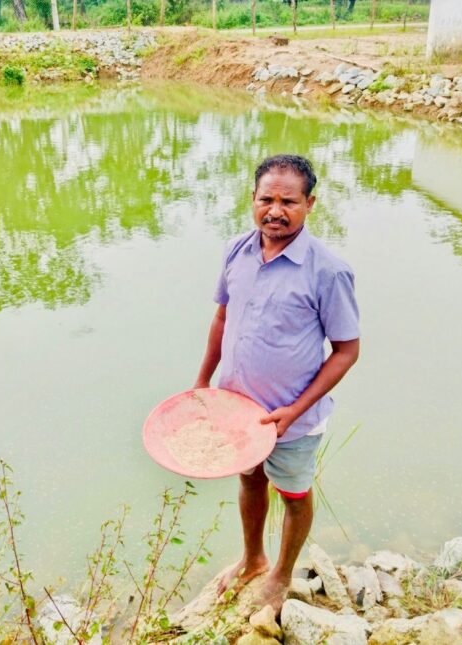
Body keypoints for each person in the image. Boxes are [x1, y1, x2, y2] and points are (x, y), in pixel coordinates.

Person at [193, 154, 360, 616]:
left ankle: (281, 573)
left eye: (289, 201)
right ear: (252, 199)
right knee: (248, 480)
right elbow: (223, 317)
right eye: (266, 198)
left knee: (294, 494)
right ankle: (252, 559)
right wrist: (203, 381)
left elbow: (347, 350)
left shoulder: (328, 271)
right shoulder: (236, 250)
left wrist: (296, 409)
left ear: (310, 204)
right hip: (237, 408)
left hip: (292, 418)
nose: (275, 209)